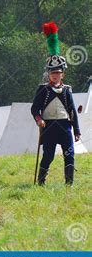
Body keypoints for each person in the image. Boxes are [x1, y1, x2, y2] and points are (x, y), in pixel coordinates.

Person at [31, 22, 81, 186]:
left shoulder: (67, 90)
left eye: (58, 73)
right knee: (49, 156)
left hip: (65, 126)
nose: (55, 76)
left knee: (70, 154)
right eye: (52, 73)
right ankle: (41, 181)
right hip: (49, 126)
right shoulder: (43, 89)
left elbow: (72, 110)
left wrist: (77, 130)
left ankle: (69, 183)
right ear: (49, 74)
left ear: (62, 74)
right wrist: (39, 120)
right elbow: (34, 109)